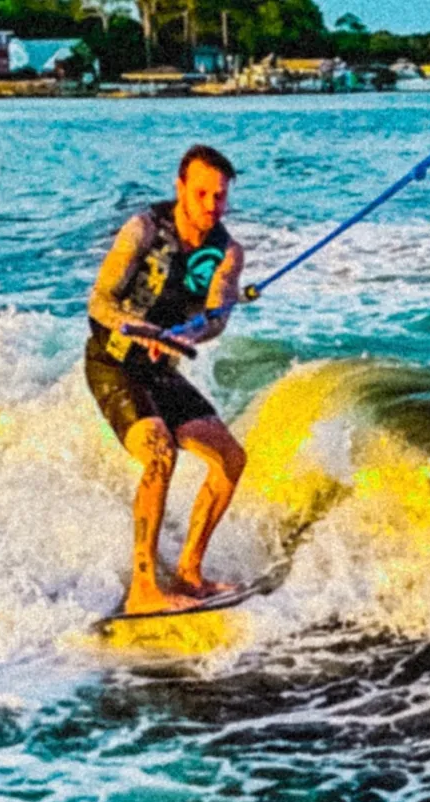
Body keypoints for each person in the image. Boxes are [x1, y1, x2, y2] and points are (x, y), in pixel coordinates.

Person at [85, 145, 249, 615]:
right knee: (160, 452)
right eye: (201, 194)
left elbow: (216, 318)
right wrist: (144, 330)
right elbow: (100, 302)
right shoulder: (143, 230)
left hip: (159, 370)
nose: (211, 205)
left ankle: (189, 574)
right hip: (114, 363)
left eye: (219, 196)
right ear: (180, 189)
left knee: (230, 459)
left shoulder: (228, 253)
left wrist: (186, 334)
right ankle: (143, 588)